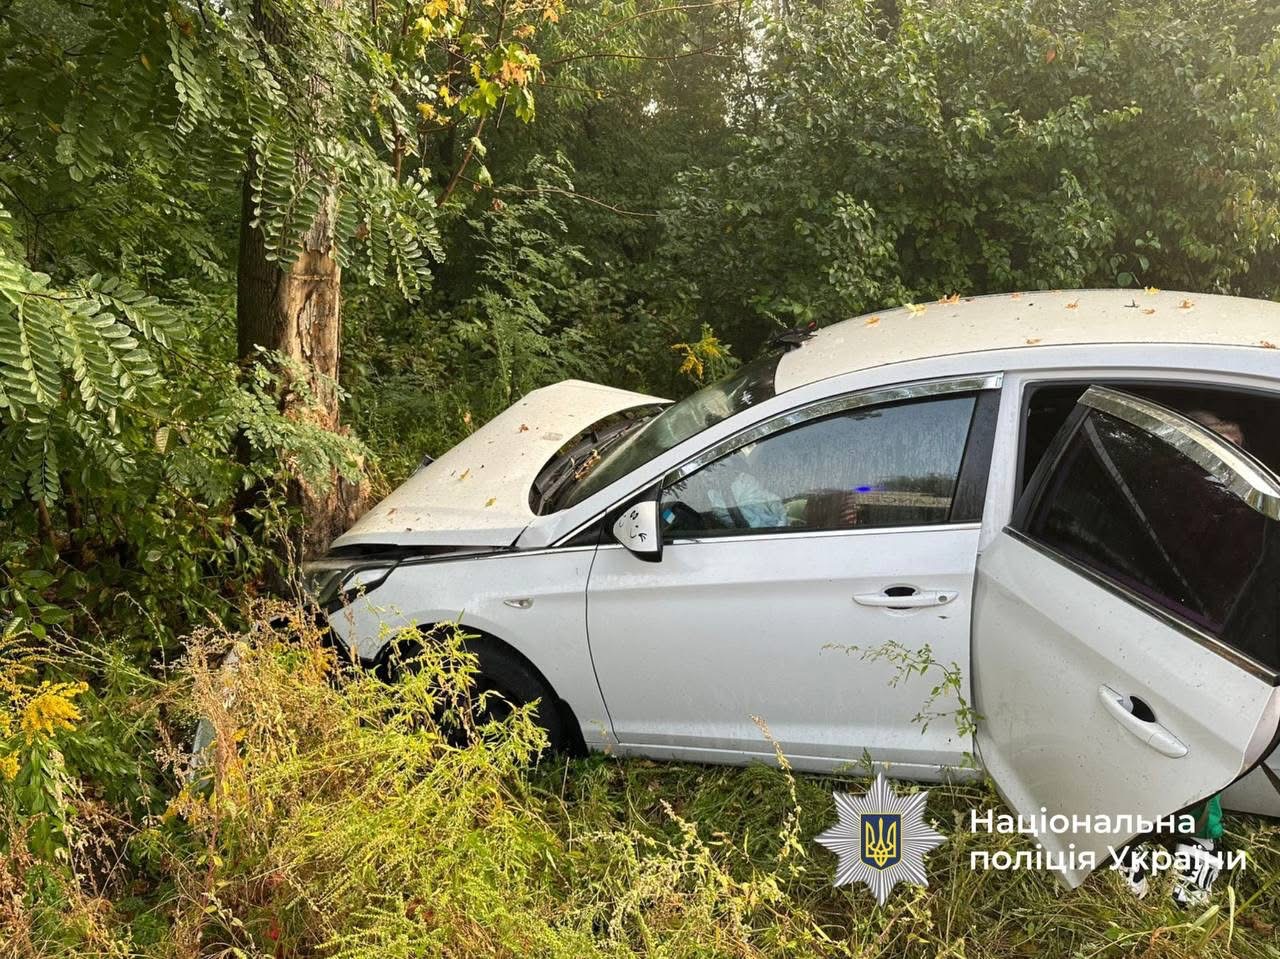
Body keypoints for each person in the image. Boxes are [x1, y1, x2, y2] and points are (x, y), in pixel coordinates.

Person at [1117, 408, 1243, 907]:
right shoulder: (1147, 501)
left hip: (1218, 652)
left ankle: (1197, 856)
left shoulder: (1249, 512)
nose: (1225, 466)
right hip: (1137, 640)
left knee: (1197, 757)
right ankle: (1127, 852)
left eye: (1234, 453)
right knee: (1126, 743)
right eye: (1213, 452)